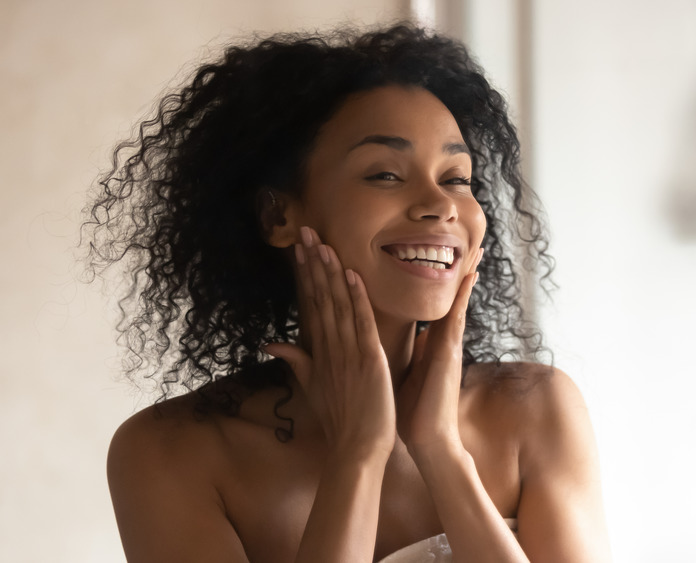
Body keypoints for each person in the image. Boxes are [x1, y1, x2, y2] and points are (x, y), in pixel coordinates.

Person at [86, 23, 611, 563]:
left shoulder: (537, 408)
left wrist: (441, 451)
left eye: (457, 178)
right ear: (279, 215)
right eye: (385, 174)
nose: (441, 204)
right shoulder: (171, 451)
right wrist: (358, 455)